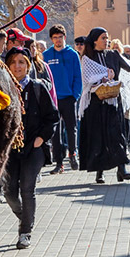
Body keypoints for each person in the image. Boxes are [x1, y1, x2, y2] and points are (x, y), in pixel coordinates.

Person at [3, 47, 56, 249]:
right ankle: (24, 216)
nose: (18, 66)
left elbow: (52, 118)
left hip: (33, 147)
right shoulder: (3, 88)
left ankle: (25, 231)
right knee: (8, 191)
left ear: (28, 65)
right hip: (10, 148)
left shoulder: (37, 88)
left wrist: (41, 139)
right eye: (14, 62)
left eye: (22, 62)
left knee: (27, 188)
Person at [78, 28, 130, 184]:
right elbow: (88, 79)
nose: (106, 41)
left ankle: (122, 169)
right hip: (96, 104)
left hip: (113, 102)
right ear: (95, 40)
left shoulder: (113, 55)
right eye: (103, 38)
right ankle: (99, 172)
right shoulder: (88, 58)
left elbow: (129, 67)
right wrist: (102, 78)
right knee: (99, 137)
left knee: (118, 135)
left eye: (107, 38)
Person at [42, 25, 82, 173]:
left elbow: (78, 77)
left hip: (69, 98)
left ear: (64, 38)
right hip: (52, 99)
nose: (58, 40)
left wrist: (75, 96)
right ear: (51, 39)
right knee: (55, 131)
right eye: (55, 38)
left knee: (71, 129)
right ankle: (59, 163)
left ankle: (73, 154)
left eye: (60, 37)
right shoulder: (46, 55)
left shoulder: (73, 54)